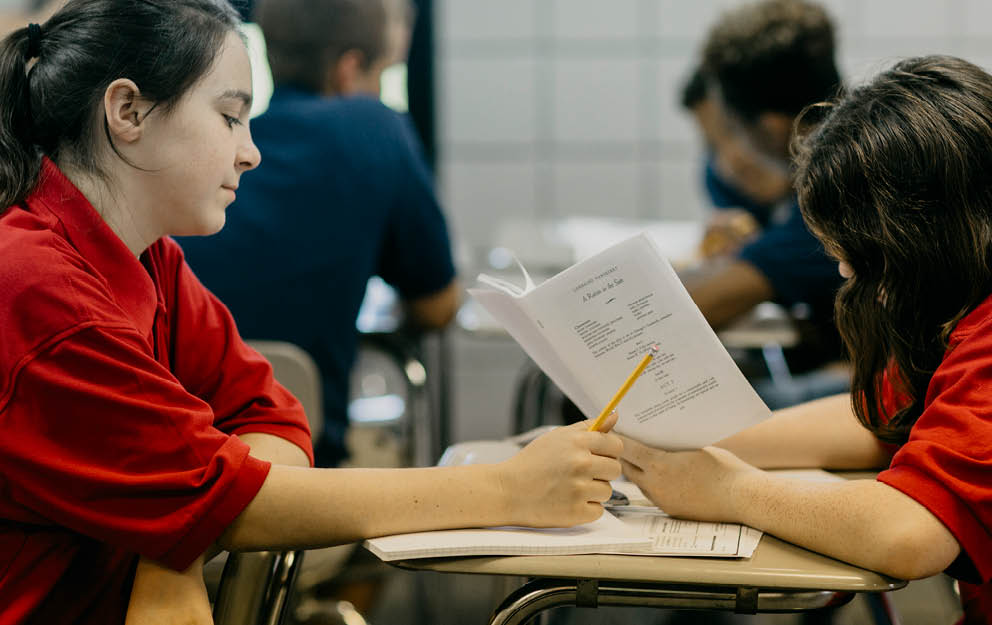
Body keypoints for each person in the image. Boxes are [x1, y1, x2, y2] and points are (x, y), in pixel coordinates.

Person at [0, 1, 623, 622]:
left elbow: (267, 410)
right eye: (229, 117)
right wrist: (509, 489)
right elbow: (234, 501)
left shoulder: (147, 256)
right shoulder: (35, 287)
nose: (251, 153)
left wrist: (177, 540)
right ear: (128, 111)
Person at [621, 56, 992, 625]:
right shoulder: (991, 296)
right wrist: (664, 446)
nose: (847, 278)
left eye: (860, 262)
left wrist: (725, 489)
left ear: (918, 240)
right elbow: (881, 417)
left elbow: (909, 534)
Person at [177, 0, 458, 468]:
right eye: (381, 74)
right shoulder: (374, 128)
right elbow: (437, 305)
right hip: (299, 468)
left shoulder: (208, 154)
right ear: (349, 70)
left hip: (173, 463)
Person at [677, 0, 847, 391]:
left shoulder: (839, 188)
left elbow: (696, 307)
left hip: (884, 391)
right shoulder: (867, 144)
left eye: (729, 128)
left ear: (771, 128)